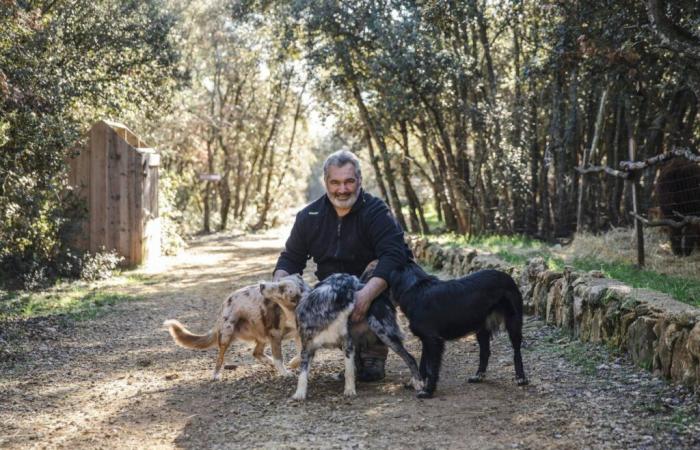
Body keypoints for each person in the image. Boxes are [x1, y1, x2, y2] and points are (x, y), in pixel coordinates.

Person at [273, 149, 412, 381]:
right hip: (335, 292)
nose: (342, 189)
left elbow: (394, 255)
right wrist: (279, 285)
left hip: (372, 288)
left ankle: (373, 352)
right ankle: (354, 351)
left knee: (381, 267)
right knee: (318, 294)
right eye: (335, 182)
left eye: (349, 182)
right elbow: (291, 258)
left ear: (359, 180)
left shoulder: (377, 211)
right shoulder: (309, 216)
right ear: (326, 182)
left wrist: (366, 296)